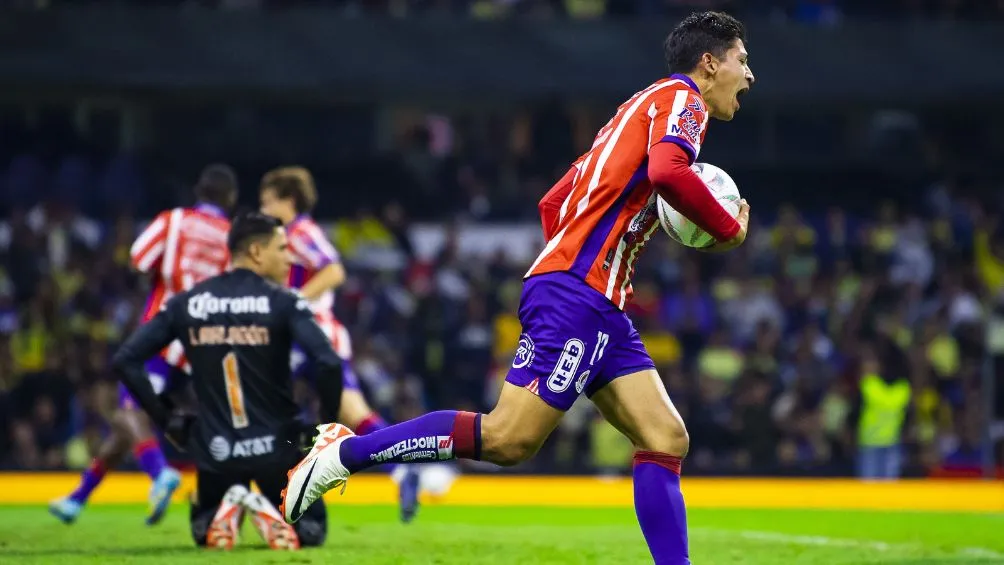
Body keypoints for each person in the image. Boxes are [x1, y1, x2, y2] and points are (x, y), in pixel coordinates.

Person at [284, 11, 755, 564]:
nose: (749, 75)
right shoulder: (683, 100)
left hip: (593, 298)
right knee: (508, 438)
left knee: (665, 437)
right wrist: (727, 229)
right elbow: (669, 173)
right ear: (709, 63)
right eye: (742, 61)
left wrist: (580, 260)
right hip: (581, 293)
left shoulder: (632, 112)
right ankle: (345, 455)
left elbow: (553, 202)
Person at [111, 212, 344, 550]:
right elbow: (329, 362)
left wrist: (167, 419)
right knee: (311, 532)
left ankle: (226, 509)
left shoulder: (189, 302)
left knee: (203, 533)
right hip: (277, 450)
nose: (289, 258)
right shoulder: (284, 302)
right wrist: (327, 427)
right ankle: (275, 514)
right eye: (282, 248)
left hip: (216, 452)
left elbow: (126, 359)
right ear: (256, 252)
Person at [51, 164, 238, 525]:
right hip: (207, 345)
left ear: (199, 191)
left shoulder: (173, 221)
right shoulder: (232, 237)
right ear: (230, 199)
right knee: (130, 424)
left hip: (163, 337)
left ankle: (159, 472)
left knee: (125, 412)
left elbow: (138, 259)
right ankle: (78, 498)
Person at [259, 166, 422, 522]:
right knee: (354, 415)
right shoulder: (287, 236)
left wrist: (295, 302)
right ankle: (401, 470)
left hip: (311, 337)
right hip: (311, 337)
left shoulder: (301, 232)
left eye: (268, 201)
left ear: (289, 200)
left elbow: (334, 270)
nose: (263, 208)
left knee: (263, 407)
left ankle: (260, 493)